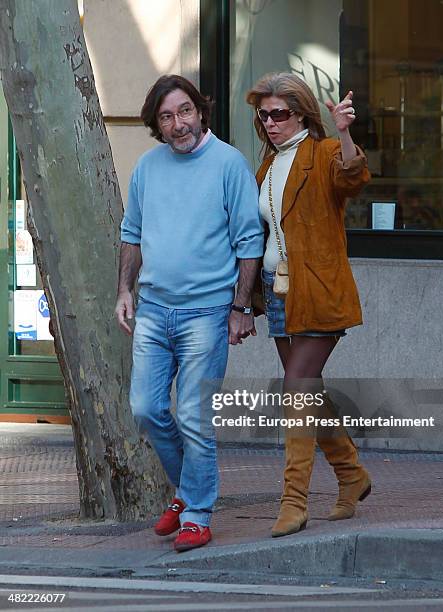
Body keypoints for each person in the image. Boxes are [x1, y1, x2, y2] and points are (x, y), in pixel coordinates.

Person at [115, 75, 263, 552]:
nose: (177, 124)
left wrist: (240, 307)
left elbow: (248, 241)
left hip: (207, 313)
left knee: (195, 417)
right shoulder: (147, 167)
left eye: (184, 111)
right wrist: (124, 291)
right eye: (166, 116)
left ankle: (197, 513)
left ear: (200, 111)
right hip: (154, 310)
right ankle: (188, 492)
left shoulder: (228, 164)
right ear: (156, 124)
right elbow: (132, 233)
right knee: (146, 408)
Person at [247, 72, 372, 537]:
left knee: (295, 391)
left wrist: (343, 133)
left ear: (301, 113)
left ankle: (294, 501)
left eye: (279, 113)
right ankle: (351, 475)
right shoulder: (268, 165)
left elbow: (352, 177)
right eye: (264, 115)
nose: (271, 122)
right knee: (306, 395)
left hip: (317, 289)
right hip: (277, 292)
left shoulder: (320, 154)